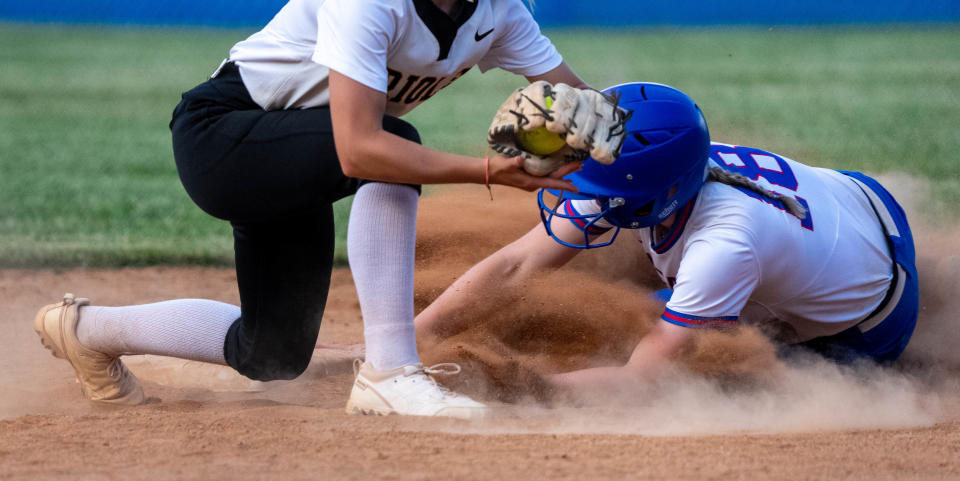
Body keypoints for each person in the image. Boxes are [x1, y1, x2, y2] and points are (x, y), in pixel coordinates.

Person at [32, 0, 626, 419]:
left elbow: (584, 108)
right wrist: (487, 172)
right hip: (223, 137)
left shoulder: (499, 11)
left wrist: (672, 154)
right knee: (394, 145)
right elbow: (360, 147)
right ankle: (390, 375)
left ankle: (86, 329)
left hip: (298, 152)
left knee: (271, 355)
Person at [416, 82, 919, 396]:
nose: (580, 187)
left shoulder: (723, 245)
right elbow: (515, 266)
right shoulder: (659, 162)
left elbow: (643, 380)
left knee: (708, 369)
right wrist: (405, 339)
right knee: (656, 307)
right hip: (854, 203)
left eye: (594, 183)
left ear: (658, 193)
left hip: (870, 319)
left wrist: (513, 390)